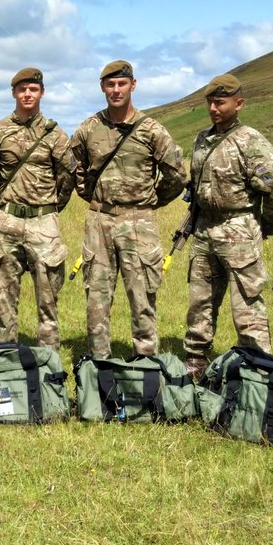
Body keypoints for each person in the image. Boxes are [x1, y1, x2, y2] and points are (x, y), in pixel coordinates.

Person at [70, 60, 185, 358]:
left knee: (142, 295)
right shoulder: (88, 129)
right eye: (110, 84)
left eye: (122, 84)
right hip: (100, 219)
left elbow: (176, 174)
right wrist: (95, 200)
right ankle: (99, 361)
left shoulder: (152, 131)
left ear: (133, 85)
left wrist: (149, 202)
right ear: (102, 88)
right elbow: (77, 171)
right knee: (97, 295)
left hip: (139, 221)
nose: (116, 90)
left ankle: (146, 362)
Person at [181, 74, 273, 379]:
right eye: (210, 102)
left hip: (238, 229)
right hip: (204, 229)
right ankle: (196, 360)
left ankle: (257, 368)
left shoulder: (250, 141)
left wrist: (266, 224)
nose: (214, 108)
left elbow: (272, 188)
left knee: (247, 303)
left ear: (238, 104)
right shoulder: (202, 139)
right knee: (200, 300)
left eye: (220, 102)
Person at [0, 67, 74, 350]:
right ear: (14, 93)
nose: (27, 94)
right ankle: (7, 353)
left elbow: (68, 175)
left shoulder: (55, 135)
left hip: (43, 223)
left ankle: (48, 360)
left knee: (48, 299)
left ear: (41, 93)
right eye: (22, 89)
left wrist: (52, 206)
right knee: (4, 298)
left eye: (33, 89)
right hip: (7, 221)